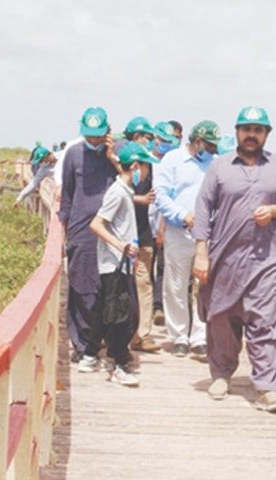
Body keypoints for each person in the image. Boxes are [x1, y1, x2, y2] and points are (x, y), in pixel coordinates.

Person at [192, 106, 276, 413]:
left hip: (265, 259)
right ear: (237, 132)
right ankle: (222, 374)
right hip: (225, 257)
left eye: (258, 130)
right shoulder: (220, 167)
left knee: (265, 319)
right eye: (246, 129)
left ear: (266, 134)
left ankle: (266, 388)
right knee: (222, 317)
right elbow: (203, 208)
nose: (251, 135)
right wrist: (201, 253)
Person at [84, 142, 160, 386]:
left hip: (122, 262)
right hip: (114, 263)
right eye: (146, 167)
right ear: (136, 166)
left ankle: (91, 355)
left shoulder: (126, 191)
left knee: (108, 311)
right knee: (122, 316)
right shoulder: (118, 192)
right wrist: (121, 246)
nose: (147, 173)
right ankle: (119, 364)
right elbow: (96, 224)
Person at [58, 107, 121, 363]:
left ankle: (101, 340)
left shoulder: (117, 154)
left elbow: (134, 182)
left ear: (107, 131)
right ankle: (82, 343)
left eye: (98, 135)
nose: (93, 140)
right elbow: (68, 195)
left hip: (110, 231)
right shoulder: (73, 153)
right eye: (89, 135)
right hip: (81, 231)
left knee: (107, 288)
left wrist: (112, 157)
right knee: (81, 287)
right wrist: (65, 231)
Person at [154, 120, 220, 358]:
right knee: (175, 285)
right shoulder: (172, 160)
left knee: (205, 285)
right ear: (198, 141)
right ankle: (179, 335)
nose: (213, 150)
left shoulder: (215, 164)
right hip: (179, 230)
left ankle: (200, 337)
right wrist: (183, 215)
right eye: (210, 145)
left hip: (208, 235)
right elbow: (161, 195)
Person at [122, 117, 164, 353]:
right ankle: (115, 333)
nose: (151, 141)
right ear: (137, 137)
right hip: (121, 237)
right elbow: (111, 196)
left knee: (144, 284)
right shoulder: (120, 163)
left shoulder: (150, 166)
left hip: (143, 234)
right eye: (148, 137)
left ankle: (141, 335)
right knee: (118, 285)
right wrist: (137, 199)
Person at [148, 122, 180, 326]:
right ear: (154, 138)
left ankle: (158, 306)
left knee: (161, 267)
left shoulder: (172, 164)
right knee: (142, 269)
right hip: (142, 224)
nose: (164, 144)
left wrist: (162, 227)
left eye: (169, 142)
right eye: (162, 140)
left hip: (163, 224)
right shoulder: (144, 161)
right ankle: (146, 307)